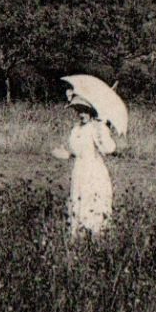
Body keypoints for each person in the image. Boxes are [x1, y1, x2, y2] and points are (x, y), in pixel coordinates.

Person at [51, 92, 116, 239]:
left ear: (91, 111)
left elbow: (109, 149)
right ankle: (79, 239)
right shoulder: (76, 130)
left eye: (84, 110)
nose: (81, 114)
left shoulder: (97, 128)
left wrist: (103, 131)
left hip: (94, 172)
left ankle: (96, 238)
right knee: (79, 202)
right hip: (79, 171)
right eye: (78, 110)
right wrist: (63, 153)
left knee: (93, 203)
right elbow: (75, 152)